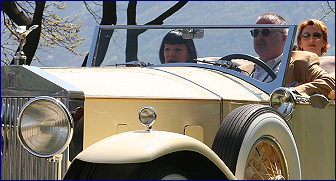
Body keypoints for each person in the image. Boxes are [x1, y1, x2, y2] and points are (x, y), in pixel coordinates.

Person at [244, 13, 335, 99]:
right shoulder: (243, 70)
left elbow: (329, 83)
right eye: (255, 33)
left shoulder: (301, 62)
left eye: (266, 32)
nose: (259, 37)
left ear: (284, 38)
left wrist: (292, 92)